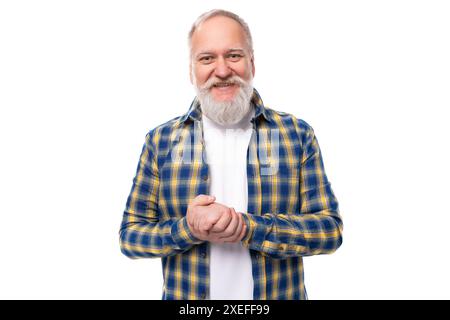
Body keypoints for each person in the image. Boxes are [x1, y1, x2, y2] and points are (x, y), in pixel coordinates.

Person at [119, 9, 343, 300]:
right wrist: (187, 229)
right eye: (207, 58)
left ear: (252, 62)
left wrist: (250, 228)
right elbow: (130, 237)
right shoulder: (160, 141)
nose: (222, 71)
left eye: (234, 55)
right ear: (191, 70)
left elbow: (329, 231)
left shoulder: (296, 135)